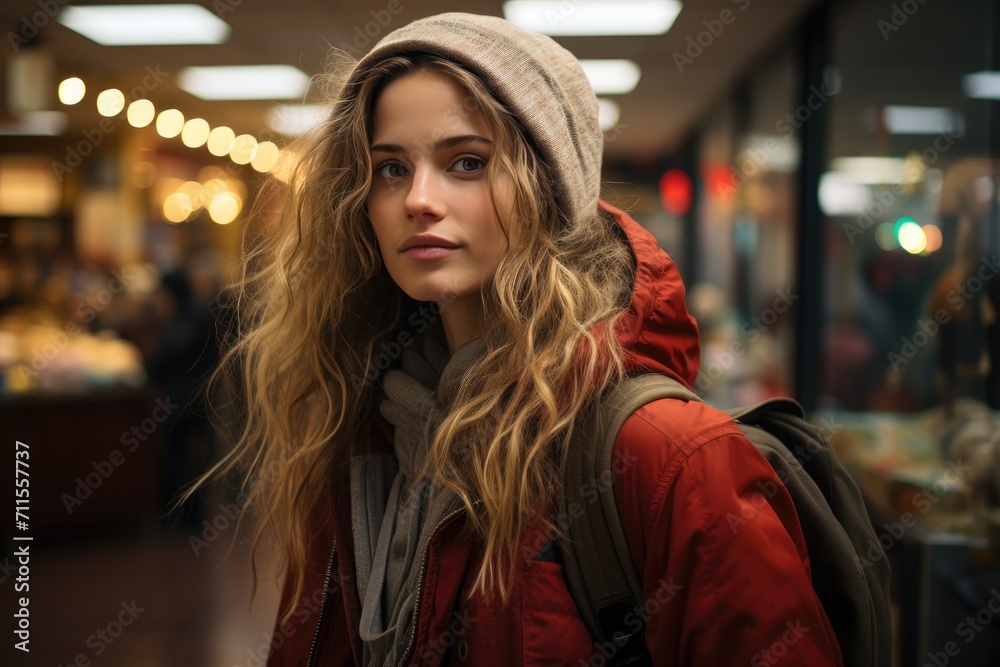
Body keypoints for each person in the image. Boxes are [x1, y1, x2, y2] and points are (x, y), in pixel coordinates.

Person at [200, 12, 844, 666]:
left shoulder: (670, 456)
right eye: (390, 169)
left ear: (548, 191)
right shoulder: (361, 423)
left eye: (468, 162)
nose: (418, 198)